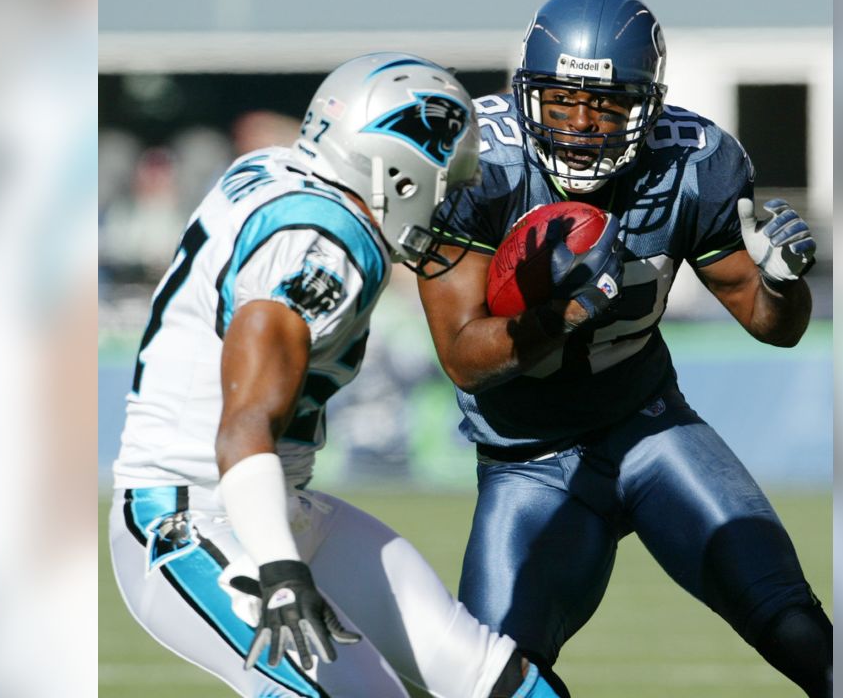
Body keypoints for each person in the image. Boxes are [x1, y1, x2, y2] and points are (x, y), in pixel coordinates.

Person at [416, 0, 832, 697]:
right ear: (526, 96)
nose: (581, 124)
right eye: (562, 101)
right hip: (528, 461)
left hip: (648, 430)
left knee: (799, 629)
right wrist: (568, 313)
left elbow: (772, 325)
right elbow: (463, 355)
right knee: (490, 682)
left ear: (647, 103)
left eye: (606, 104)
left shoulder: (692, 162)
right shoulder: (479, 163)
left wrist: (786, 282)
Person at [109, 53, 563, 698]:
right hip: (193, 517)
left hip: (279, 502)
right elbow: (245, 425)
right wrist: (280, 569)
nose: (446, 202)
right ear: (393, 168)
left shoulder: (279, 172)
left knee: (495, 679)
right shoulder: (324, 243)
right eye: (442, 179)